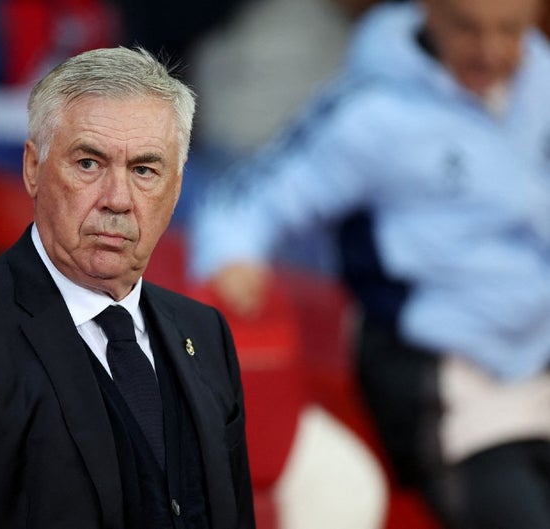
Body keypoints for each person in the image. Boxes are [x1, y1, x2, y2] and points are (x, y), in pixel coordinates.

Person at [0, 46, 255, 529]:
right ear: (33, 168)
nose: (117, 200)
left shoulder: (205, 333)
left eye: (144, 170)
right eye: (88, 163)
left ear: (177, 188)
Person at [191, 0, 550, 527]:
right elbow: (252, 197)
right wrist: (232, 257)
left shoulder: (539, 81)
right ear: (429, 10)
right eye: (468, 30)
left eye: (510, 31)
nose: (491, 50)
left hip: (538, 357)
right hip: (448, 382)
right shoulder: (374, 112)